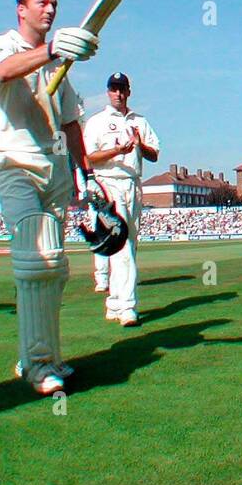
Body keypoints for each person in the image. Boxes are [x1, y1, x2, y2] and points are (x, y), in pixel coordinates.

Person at [0, 0, 98, 395]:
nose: (49, 10)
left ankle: (43, 354)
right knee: (37, 257)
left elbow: (70, 123)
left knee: (56, 268)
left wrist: (87, 176)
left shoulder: (59, 69)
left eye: (54, 5)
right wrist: (50, 49)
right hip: (11, 163)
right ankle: (37, 365)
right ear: (21, 8)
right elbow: (3, 72)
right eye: (41, 3)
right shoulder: (3, 44)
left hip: (54, 169)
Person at [82, 73, 160, 325]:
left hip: (133, 184)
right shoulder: (97, 121)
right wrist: (118, 150)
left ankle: (115, 301)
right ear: (108, 92)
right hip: (109, 184)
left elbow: (154, 154)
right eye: (114, 89)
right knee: (122, 244)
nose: (118, 93)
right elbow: (89, 158)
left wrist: (139, 145)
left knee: (129, 246)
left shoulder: (140, 121)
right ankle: (128, 307)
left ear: (128, 92)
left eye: (122, 89)